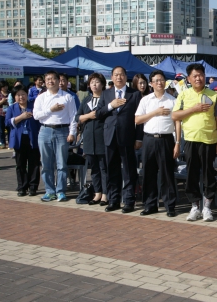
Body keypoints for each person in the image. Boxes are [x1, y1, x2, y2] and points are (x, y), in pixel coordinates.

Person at [172, 63, 217, 222]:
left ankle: (207, 207)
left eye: (201, 75)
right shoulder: (183, 95)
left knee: (209, 174)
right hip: (190, 140)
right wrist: (193, 109)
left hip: (209, 140)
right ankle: (195, 206)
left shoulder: (213, 95)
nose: (198, 78)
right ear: (188, 78)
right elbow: (175, 116)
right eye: (194, 76)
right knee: (192, 174)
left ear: (205, 76)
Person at [96, 66, 144, 213]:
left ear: (125, 76)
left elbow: (139, 119)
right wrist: (111, 105)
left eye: (122, 75)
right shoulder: (106, 94)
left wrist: (138, 139)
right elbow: (98, 114)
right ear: (112, 77)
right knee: (112, 170)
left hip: (128, 137)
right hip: (110, 137)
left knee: (129, 171)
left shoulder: (134, 94)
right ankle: (114, 200)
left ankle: (129, 201)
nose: (119, 77)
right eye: (116, 75)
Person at [135, 70, 180, 217]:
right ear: (151, 83)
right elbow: (137, 120)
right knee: (148, 173)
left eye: (162, 80)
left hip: (166, 139)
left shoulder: (172, 100)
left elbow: (177, 122)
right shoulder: (146, 100)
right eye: (156, 80)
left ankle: (170, 205)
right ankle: (150, 204)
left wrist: (177, 142)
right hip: (149, 139)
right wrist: (156, 112)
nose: (159, 82)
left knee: (167, 173)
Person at [33, 70, 78, 202]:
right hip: (45, 131)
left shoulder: (67, 97)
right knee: (46, 164)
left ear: (59, 81)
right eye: (47, 79)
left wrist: (72, 133)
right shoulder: (41, 97)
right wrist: (51, 109)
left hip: (62, 131)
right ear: (44, 82)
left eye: (53, 79)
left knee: (61, 164)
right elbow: (36, 115)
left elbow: (73, 117)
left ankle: (61, 191)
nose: (50, 81)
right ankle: (49, 191)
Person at [76, 73, 108, 206]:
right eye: (92, 82)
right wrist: (89, 115)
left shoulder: (106, 99)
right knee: (94, 168)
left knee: (103, 167)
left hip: (102, 137)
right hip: (89, 138)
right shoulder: (86, 100)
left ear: (102, 84)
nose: (94, 84)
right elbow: (79, 118)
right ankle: (97, 193)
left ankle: (105, 195)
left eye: (97, 82)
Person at [6, 84, 41, 197]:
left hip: (33, 138)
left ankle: (33, 187)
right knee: (20, 164)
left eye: (23, 94)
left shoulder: (34, 106)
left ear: (27, 95)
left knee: (34, 164)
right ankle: (22, 187)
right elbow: (6, 122)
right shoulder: (12, 108)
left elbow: (39, 120)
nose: (21, 97)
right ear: (14, 97)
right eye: (18, 95)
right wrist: (20, 117)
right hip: (19, 139)